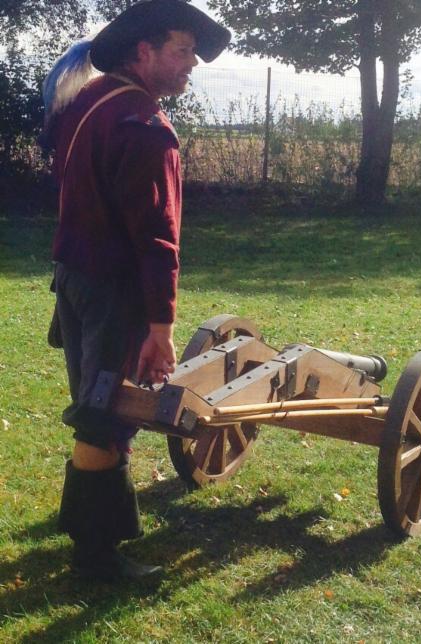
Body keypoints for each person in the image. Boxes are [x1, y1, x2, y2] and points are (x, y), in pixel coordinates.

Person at [40, 0, 230, 582]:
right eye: (182, 50)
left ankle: (88, 531)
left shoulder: (88, 103)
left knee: (98, 406)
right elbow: (157, 239)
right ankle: (95, 557)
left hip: (74, 277)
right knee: (106, 414)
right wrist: (161, 328)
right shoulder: (145, 129)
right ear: (143, 52)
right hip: (111, 292)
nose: (191, 64)